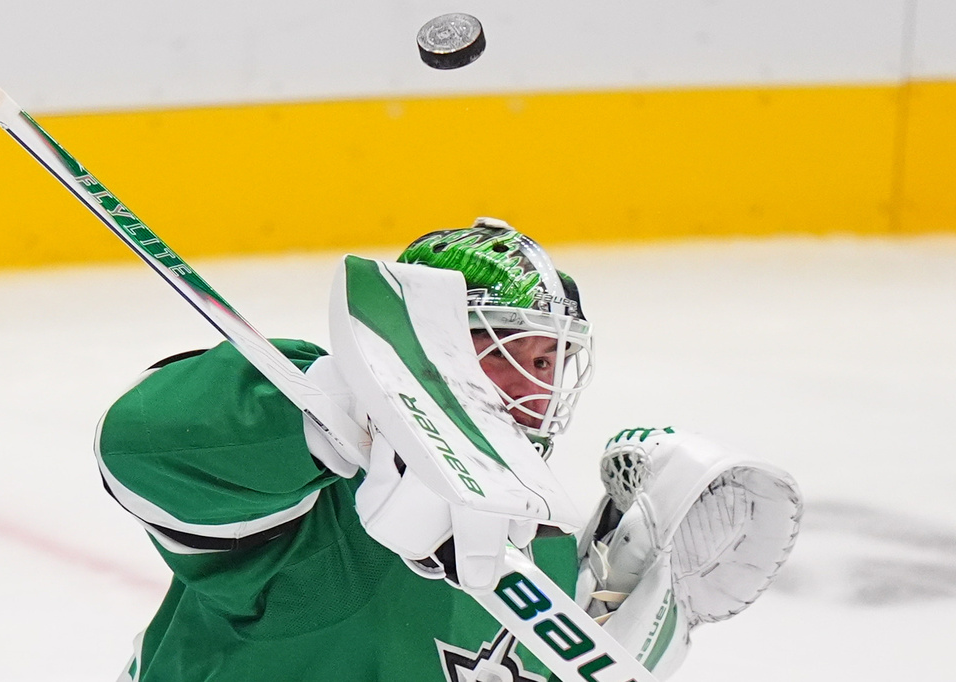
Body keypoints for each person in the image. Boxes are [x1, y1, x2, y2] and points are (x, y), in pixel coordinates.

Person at [96, 218, 802, 681]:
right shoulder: (316, 508)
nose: (534, 386)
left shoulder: (543, 547)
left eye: (548, 359)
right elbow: (144, 448)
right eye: (504, 351)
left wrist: (616, 611)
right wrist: (340, 407)